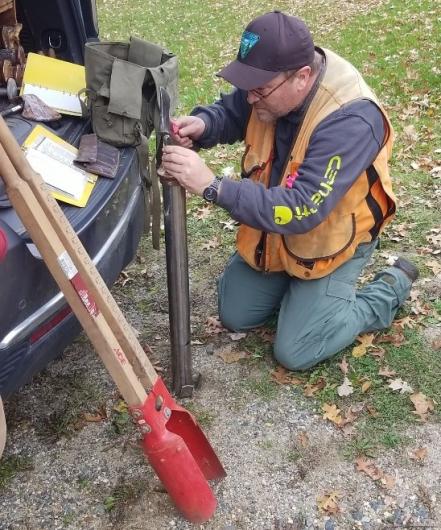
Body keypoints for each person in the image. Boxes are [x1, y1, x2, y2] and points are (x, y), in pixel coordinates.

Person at [161, 11, 418, 371]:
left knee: (295, 350)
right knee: (236, 314)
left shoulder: (351, 120)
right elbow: (236, 109)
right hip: (277, 231)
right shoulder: (273, 81)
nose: (251, 97)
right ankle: (300, 295)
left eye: (260, 90)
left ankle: (389, 288)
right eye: (248, 85)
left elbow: (302, 208)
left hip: (331, 239)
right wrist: (204, 125)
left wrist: (212, 187)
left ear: (302, 77)